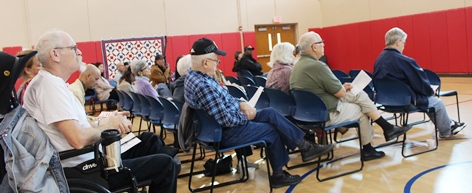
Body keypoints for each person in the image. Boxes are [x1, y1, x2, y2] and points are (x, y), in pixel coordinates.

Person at [23, 30, 179, 193]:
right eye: (73, 48)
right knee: (165, 166)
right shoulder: (49, 86)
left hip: (91, 157)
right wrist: (109, 126)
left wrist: (103, 122)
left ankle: (173, 162)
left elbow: (76, 127)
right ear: (55, 54)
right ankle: (172, 164)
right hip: (85, 168)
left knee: (149, 141)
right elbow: (77, 139)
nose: (79, 52)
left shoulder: (52, 83)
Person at [184, 37, 334, 188]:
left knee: (270, 113)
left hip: (214, 129)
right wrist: (245, 116)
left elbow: (227, 99)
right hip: (223, 133)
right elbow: (227, 120)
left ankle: (305, 147)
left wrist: (242, 103)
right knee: (270, 130)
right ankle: (278, 175)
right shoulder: (205, 86)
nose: (218, 64)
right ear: (205, 63)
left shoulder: (194, 77)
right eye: (216, 61)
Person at [290, 31, 412, 161]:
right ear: (314, 47)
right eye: (322, 43)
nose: (323, 46)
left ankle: (386, 128)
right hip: (323, 114)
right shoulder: (317, 66)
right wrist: (343, 88)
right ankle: (370, 147)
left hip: (304, 115)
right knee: (362, 110)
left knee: (358, 96)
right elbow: (340, 93)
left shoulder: (296, 67)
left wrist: (342, 88)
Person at [373, 27, 466, 139]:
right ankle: (446, 131)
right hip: (404, 101)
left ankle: (450, 124)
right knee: (436, 103)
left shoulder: (378, 60)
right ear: (398, 42)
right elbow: (420, 83)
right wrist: (430, 91)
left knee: (428, 101)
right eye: (404, 42)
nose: (404, 45)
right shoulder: (404, 60)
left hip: (385, 101)